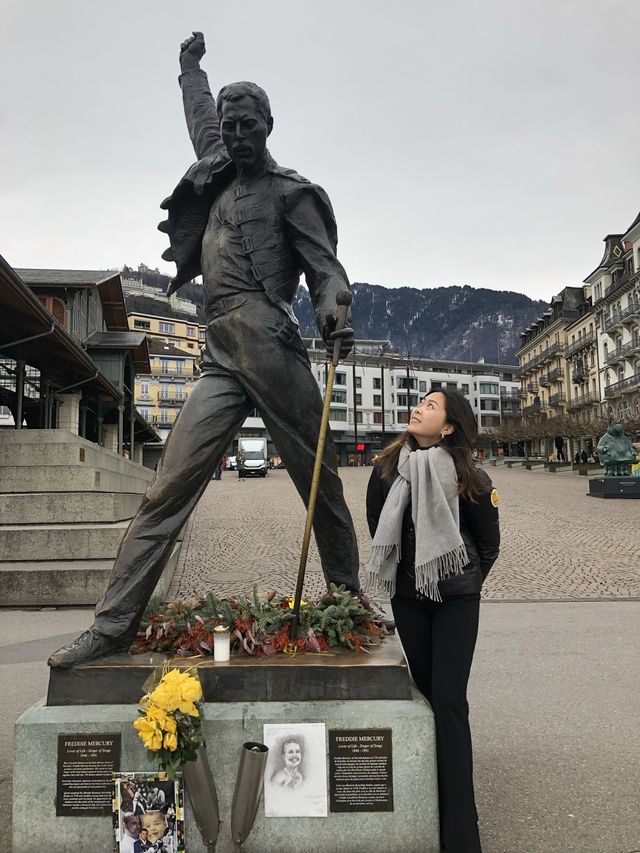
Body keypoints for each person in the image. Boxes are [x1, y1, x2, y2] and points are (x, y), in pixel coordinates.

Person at [48, 30, 361, 668]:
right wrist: (189, 67)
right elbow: (197, 115)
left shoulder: (291, 193)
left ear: (268, 126)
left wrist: (333, 308)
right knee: (168, 487)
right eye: (230, 123)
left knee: (318, 480)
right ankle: (111, 625)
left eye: (248, 124)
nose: (237, 133)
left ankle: (349, 601)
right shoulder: (215, 171)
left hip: (271, 345)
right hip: (218, 349)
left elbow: (326, 269)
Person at [365, 389, 500, 853]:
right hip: (409, 600)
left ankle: (462, 830)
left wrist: (462, 581)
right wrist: (412, 579)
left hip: (456, 603)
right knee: (424, 697)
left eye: (431, 405)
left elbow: (487, 545)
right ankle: (425, 804)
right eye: (420, 401)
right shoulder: (386, 472)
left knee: (449, 701)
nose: (419, 407)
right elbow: (378, 529)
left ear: (448, 427)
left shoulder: (471, 478)